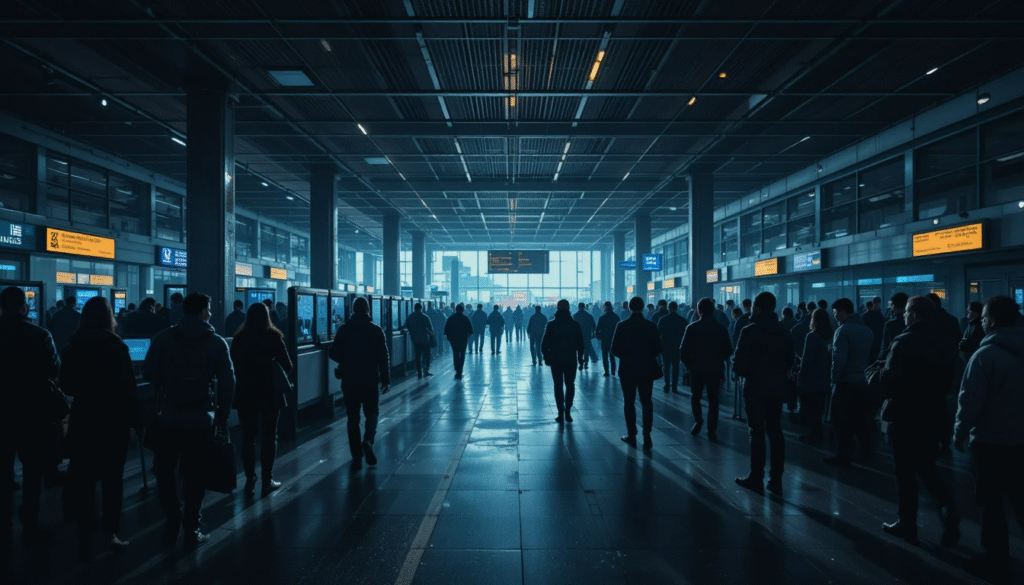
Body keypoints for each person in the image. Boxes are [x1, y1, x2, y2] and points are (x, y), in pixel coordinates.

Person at [143, 293, 234, 549]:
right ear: (204, 311)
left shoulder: (164, 338)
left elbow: (149, 372)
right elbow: (228, 382)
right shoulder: (215, 342)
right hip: (201, 419)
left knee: (164, 471)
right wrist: (223, 416)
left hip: (169, 417)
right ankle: (192, 526)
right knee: (196, 474)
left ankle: (173, 516)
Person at [59, 296, 140, 560]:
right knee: (112, 480)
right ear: (109, 317)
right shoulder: (116, 345)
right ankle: (111, 532)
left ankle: (84, 531)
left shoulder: (73, 346)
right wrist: (134, 424)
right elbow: (129, 389)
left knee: (83, 478)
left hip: (84, 418)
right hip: (112, 420)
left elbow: (67, 385)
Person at [879, 296, 960, 547]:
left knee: (904, 470)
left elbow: (889, 381)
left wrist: (875, 374)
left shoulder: (903, 341)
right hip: (933, 412)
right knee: (927, 466)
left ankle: (907, 522)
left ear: (913, 315)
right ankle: (947, 508)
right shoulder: (944, 341)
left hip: (905, 414)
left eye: (905, 313)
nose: (902, 316)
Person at [954, 295, 1024, 584]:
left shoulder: (985, 356)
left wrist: (959, 432)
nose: (981, 323)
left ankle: (996, 561)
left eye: (983, 319)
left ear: (991, 321)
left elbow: (970, 402)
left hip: (991, 443)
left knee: (991, 504)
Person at [0, 287, 61, 550]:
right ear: (24, 307)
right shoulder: (40, 335)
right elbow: (54, 369)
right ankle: (30, 523)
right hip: (32, 411)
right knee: (33, 468)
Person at [732, 292, 795, 496]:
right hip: (777, 388)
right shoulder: (784, 331)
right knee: (775, 432)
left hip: (755, 388)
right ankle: (776, 479)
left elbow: (740, 364)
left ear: (756, 308)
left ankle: (756, 476)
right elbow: (790, 360)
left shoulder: (750, 331)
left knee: (756, 433)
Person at [230, 303, 293, 496]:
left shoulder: (240, 338)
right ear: (267, 316)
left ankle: (250, 478)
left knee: (248, 436)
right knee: (269, 435)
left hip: (246, 393)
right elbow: (287, 365)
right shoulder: (273, 336)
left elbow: (233, 365)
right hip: (270, 393)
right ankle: (267, 480)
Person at [330, 297, 389, 471]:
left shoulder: (344, 329)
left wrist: (346, 360)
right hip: (370, 379)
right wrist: (385, 380)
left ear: (353, 309)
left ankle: (356, 455)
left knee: (352, 417)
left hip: (350, 380)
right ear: (368, 310)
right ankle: (368, 439)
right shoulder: (376, 330)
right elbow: (383, 358)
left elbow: (334, 353)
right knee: (372, 411)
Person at [823, 297, 876, 467]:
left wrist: (833, 380)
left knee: (841, 421)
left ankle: (843, 455)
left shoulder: (843, 330)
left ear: (844, 311)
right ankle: (866, 453)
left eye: (836, 312)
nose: (835, 315)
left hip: (845, 382)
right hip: (862, 381)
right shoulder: (867, 330)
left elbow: (838, 360)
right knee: (861, 420)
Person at [611, 297, 662, 450]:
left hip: (627, 369)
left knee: (629, 402)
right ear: (644, 306)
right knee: (646, 401)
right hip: (646, 368)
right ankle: (647, 435)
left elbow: (615, 349)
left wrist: (627, 356)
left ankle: (632, 435)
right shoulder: (651, 326)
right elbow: (658, 348)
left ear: (629, 308)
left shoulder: (622, 325)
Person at [679, 297, 732, 441]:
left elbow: (683, 350)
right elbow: (728, 350)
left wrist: (690, 365)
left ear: (699, 311)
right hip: (715, 369)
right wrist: (718, 359)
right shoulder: (721, 328)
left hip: (697, 368)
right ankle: (712, 430)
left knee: (695, 397)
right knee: (713, 399)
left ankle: (698, 420)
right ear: (713, 311)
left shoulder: (692, 327)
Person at [541, 300, 586, 423]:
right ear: (568, 309)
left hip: (556, 359)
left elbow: (544, 344)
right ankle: (568, 411)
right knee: (570, 384)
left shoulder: (551, 324)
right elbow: (580, 343)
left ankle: (560, 411)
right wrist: (580, 357)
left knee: (558, 385)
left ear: (557, 308)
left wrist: (546, 356)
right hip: (571, 359)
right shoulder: (575, 324)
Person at [796, 309, 833, 443]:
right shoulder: (831, 335)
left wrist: (801, 374)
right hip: (825, 377)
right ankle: (819, 430)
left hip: (811, 378)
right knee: (819, 407)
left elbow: (807, 359)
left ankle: (813, 431)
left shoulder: (812, 336)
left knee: (810, 407)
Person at [657, 301, 688, 394]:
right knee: (676, 367)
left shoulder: (663, 319)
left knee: (666, 366)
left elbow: (658, 333)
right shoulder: (682, 320)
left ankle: (667, 385)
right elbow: (685, 335)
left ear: (669, 308)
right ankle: (674, 386)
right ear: (677, 308)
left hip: (665, 346)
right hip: (677, 347)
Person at [443, 303, 473, 379]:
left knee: (455, 354)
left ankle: (457, 369)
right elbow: (471, 331)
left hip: (453, 340)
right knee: (462, 355)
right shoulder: (466, 318)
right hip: (463, 340)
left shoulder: (451, 318)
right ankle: (460, 371)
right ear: (463, 310)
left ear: (456, 310)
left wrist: (449, 338)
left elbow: (446, 331)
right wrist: (467, 337)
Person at [405, 302, 434, 379]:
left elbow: (406, 326)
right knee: (427, 355)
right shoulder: (425, 317)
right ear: (421, 308)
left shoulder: (410, 317)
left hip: (415, 340)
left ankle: (419, 372)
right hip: (425, 339)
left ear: (414, 308)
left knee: (418, 356)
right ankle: (426, 370)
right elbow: (431, 329)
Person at [879, 292, 908, 359]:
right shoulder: (913, 322)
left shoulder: (890, 325)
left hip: (893, 361)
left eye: (892, 305)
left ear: (896, 306)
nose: (891, 309)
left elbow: (885, 348)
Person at [595, 301, 621, 377]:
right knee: (612, 356)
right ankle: (613, 370)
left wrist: (598, 336)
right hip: (613, 339)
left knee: (605, 356)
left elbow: (598, 329)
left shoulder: (602, 318)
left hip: (604, 339)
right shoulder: (616, 317)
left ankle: (606, 371)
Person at [573, 302, 598, 369]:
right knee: (586, 349)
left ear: (578, 307)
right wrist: (595, 333)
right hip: (587, 335)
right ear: (584, 307)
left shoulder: (575, 316)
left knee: (580, 350)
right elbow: (594, 326)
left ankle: (581, 363)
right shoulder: (589, 316)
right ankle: (586, 362)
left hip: (578, 336)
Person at [862, 296, 886, 361]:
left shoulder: (866, 315)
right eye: (876, 302)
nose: (877, 304)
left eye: (878, 302)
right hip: (876, 339)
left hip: (872, 339)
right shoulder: (879, 315)